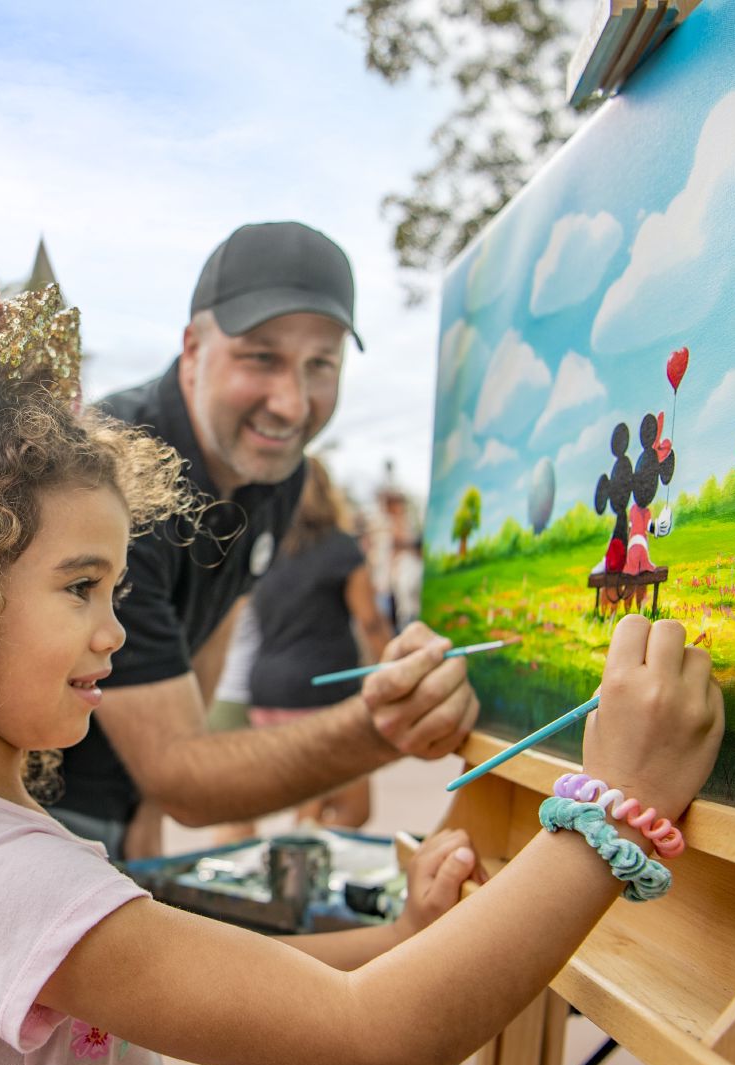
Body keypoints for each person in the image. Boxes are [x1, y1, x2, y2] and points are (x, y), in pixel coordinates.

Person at [0, 268, 725, 1065]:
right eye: (80, 587)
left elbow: (203, 981)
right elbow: (373, 1040)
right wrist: (618, 803)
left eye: (117, 591)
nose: (114, 630)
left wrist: (402, 941)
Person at [52, 221, 480, 860]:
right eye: (262, 357)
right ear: (193, 348)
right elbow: (182, 778)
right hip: (30, 805)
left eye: (320, 365)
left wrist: (145, 809)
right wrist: (384, 724)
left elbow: (214, 627)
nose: (292, 403)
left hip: (117, 799)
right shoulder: (112, 478)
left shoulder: (278, 473)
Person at [244, 454, 395, 832]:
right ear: (328, 492)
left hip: (266, 692)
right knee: (347, 807)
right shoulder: (341, 548)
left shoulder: (268, 549)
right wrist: (394, 670)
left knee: (315, 798)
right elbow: (370, 621)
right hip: (319, 692)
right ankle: (299, 875)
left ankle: (300, 866)